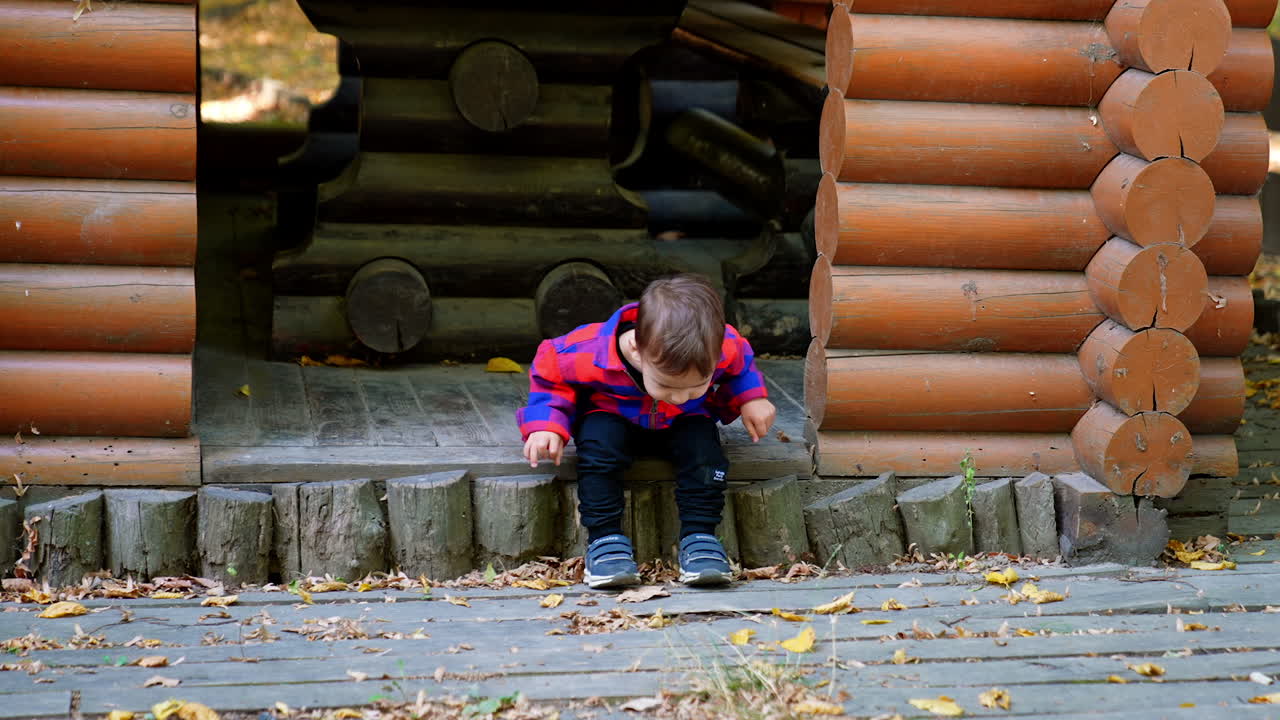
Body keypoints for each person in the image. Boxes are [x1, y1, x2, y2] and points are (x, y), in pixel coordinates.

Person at [516, 273, 776, 588]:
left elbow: (741, 365)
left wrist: (752, 397)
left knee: (705, 454)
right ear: (638, 350)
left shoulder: (722, 346)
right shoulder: (584, 350)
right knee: (598, 452)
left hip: (685, 420)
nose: (680, 395)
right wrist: (546, 425)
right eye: (667, 385)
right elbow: (551, 377)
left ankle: (700, 538)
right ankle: (605, 540)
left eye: (697, 385)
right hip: (611, 415)